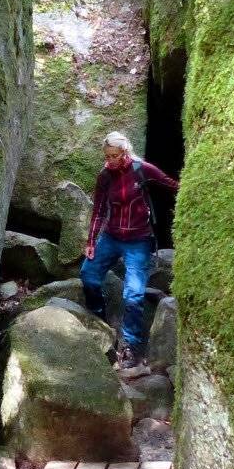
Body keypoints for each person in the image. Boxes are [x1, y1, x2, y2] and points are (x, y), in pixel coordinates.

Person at [81, 132, 178, 368]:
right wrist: (91, 242)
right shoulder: (105, 176)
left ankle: (130, 346)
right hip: (111, 236)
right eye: (107, 156)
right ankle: (99, 321)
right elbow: (98, 212)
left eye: (114, 155)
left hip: (139, 239)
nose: (110, 160)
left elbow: (171, 184)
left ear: (125, 152)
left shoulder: (142, 169)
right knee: (88, 275)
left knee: (133, 293)